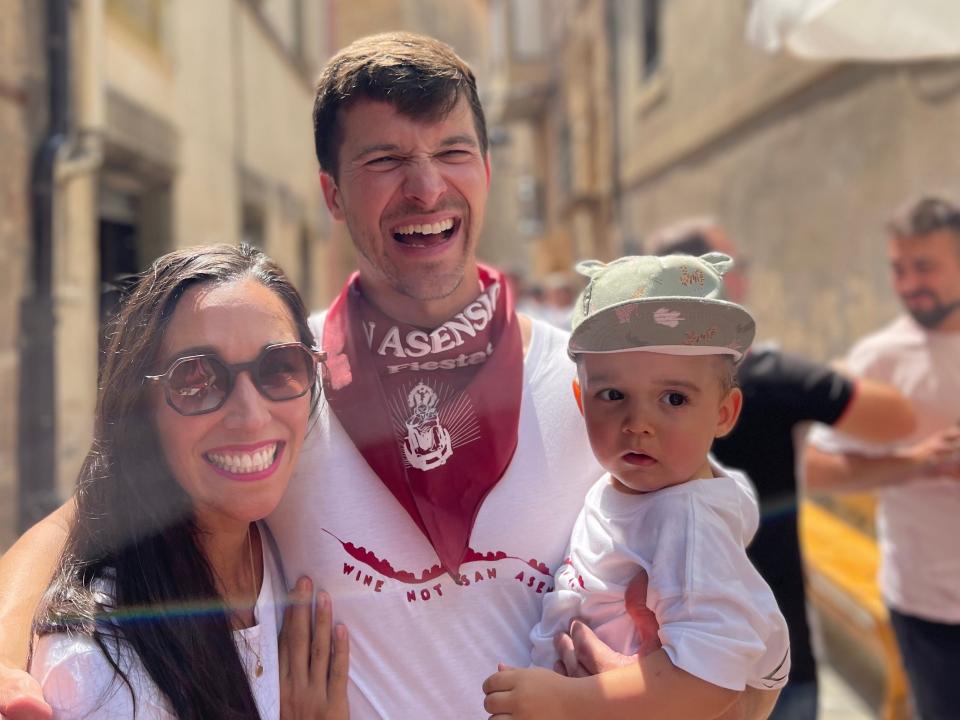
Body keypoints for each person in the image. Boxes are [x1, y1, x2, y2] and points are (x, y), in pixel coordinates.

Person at [0, 33, 776, 719]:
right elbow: (85, 518)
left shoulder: (601, 387)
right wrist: (5, 668)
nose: (427, 188)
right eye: (385, 161)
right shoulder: (275, 381)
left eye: (451, 152)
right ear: (332, 194)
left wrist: (730, 700)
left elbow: (721, 586)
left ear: (487, 170)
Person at [23, 244, 348, 719]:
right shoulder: (97, 673)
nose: (252, 416)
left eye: (279, 368)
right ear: (140, 413)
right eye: (196, 378)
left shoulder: (279, 543)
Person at [484, 252, 790, 718]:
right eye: (613, 395)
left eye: (674, 398)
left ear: (724, 413)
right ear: (580, 402)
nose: (638, 423)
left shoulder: (687, 524)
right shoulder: (634, 489)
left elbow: (709, 682)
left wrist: (566, 702)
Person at [650, 217, 917, 720]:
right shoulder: (768, 376)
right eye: (738, 269)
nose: (746, 281)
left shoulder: (626, 386)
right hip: (770, 650)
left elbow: (804, 470)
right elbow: (898, 417)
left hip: (672, 653)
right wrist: (832, 374)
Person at [803, 196, 960, 720]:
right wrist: (915, 463)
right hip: (928, 604)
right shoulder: (879, 358)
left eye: (925, 266)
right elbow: (815, 467)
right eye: (899, 268)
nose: (910, 282)